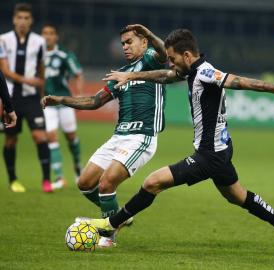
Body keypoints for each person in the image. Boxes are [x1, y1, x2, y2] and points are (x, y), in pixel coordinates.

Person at [87, 28, 274, 255]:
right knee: (238, 196)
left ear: (187, 56)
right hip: (221, 151)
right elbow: (164, 76)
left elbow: (240, 81)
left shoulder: (205, 73)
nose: (170, 63)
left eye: (172, 59)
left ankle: (110, 224)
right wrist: (131, 76)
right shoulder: (191, 71)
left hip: (208, 155)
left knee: (152, 182)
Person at [42, 24, 167, 247]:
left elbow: (165, 53)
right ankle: (119, 215)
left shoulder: (151, 59)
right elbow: (93, 102)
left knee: (106, 183)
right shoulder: (120, 75)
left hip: (142, 137)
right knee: (85, 183)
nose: (125, 47)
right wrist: (60, 99)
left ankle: (109, 236)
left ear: (144, 43)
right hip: (118, 136)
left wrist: (148, 32)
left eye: (130, 42)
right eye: (123, 44)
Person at [0, 3, 51, 193]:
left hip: (31, 99)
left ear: (31, 21)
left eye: (26, 18)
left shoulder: (39, 42)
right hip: (10, 98)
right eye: (19, 18)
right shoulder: (3, 40)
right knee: (11, 140)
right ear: (14, 19)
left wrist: (42, 95)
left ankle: (46, 180)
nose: (23, 21)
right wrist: (26, 79)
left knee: (40, 137)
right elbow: (3, 70)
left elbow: (41, 70)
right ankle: (13, 180)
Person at [41, 24, 84, 190]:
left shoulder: (65, 55)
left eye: (51, 33)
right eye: (44, 33)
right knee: (51, 137)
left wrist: (79, 96)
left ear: (56, 37)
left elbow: (78, 73)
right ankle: (59, 177)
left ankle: (78, 169)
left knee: (71, 138)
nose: (47, 36)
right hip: (48, 105)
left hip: (64, 102)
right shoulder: (37, 55)